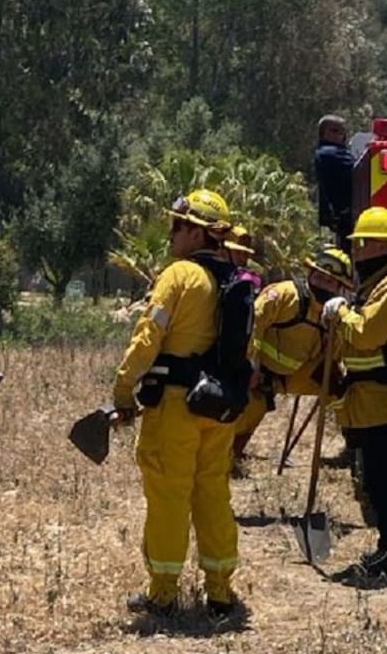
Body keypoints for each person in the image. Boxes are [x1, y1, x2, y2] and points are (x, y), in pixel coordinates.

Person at [112, 188, 243, 617]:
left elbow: (148, 336)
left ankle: (163, 594)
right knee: (212, 493)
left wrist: (123, 387)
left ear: (196, 232)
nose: (171, 234)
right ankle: (220, 592)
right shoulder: (233, 279)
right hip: (218, 406)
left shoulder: (180, 276)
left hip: (176, 407)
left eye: (177, 226)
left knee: (170, 495)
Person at [321, 206, 387, 579]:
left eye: (362, 244)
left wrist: (341, 314)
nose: (357, 252)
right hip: (371, 403)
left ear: (382, 245)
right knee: (379, 481)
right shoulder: (378, 285)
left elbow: (367, 334)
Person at [232, 246, 354, 468]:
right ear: (310, 274)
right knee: (244, 417)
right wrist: (252, 364)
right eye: (319, 277)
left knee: (340, 388)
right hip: (259, 372)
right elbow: (253, 323)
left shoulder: (334, 313)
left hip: (296, 375)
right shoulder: (286, 294)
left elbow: (334, 354)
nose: (322, 284)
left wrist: (333, 339)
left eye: (329, 282)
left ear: (339, 287)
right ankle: (229, 457)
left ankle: (353, 447)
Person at [313, 114, 356, 253]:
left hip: (343, 216)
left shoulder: (333, 153)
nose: (340, 135)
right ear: (323, 133)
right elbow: (357, 169)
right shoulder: (329, 153)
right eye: (335, 131)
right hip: (345, 214)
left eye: (343, 131)